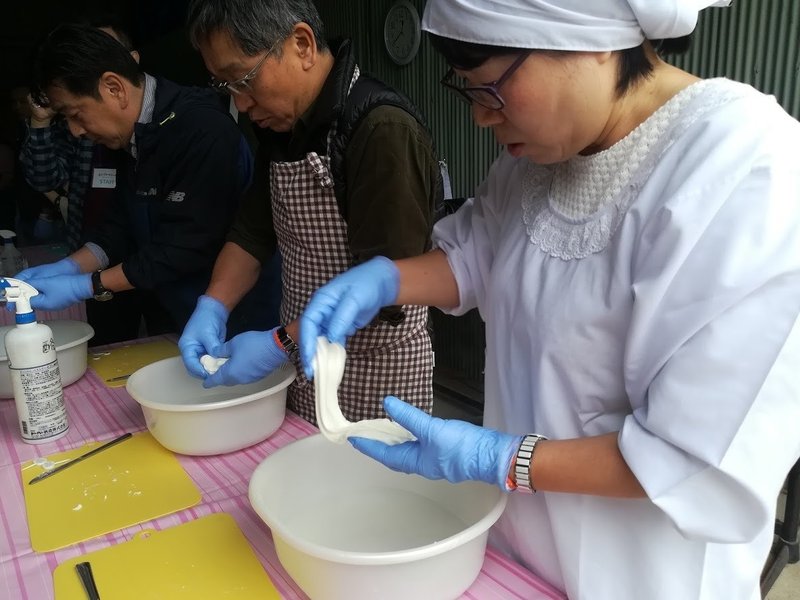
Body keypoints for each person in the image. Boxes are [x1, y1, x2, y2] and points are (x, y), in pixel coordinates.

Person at [298, 1, 800, 598]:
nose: (484, 118)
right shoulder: (541, 153)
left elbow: (694, 453)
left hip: (643, 573)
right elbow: (479, 256)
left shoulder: (743, 168)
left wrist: (501, 458)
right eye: (469, 91)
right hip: (522, 551)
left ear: (590, 41)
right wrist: (385, 278)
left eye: (493, 89)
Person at [180, 0, 440, 424]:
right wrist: (213, 304)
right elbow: (253, 231)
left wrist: (280, 343)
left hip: (377, 368)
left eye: (242, 79)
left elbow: (389, 286)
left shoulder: (380, 129)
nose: (241, 103)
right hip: (304, 354)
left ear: (301, 44)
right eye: (224, 86)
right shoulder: (279, 126)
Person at [14, 23, 273, 337]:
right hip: (176, 312)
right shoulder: (129, 135)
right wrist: (69, 267)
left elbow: (184, 246)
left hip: (237, 319)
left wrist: (88, 284)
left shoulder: (200, 128)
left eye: (76, 114)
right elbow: (119, 225)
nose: (75, 130)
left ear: (114, 88)